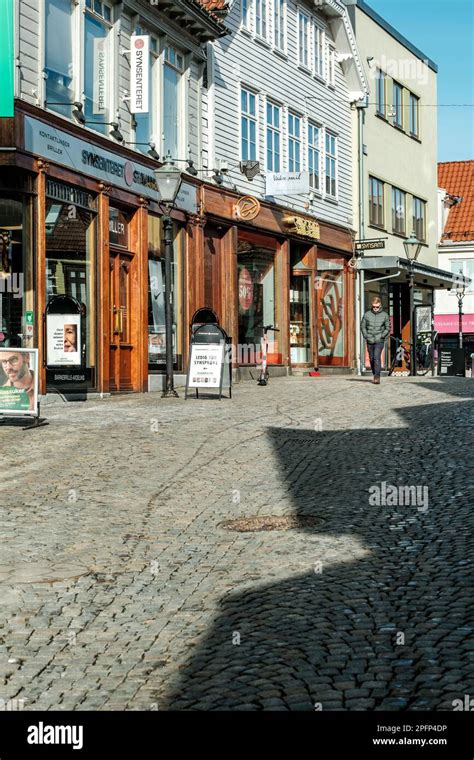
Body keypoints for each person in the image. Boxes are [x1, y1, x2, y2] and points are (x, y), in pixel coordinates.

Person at [361, 296, 390, 384]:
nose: (375, 308)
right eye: (374, 307)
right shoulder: (367, 315)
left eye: (377, 307)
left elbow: (388, 327)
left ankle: (377, 377)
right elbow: (363, 326)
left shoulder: (385, 315)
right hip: (370, 339)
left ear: (380, 305)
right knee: (371, 358)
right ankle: (375, 374)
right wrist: (366, 335)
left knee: (376, 357)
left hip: (379, 340)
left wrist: (382, 336)